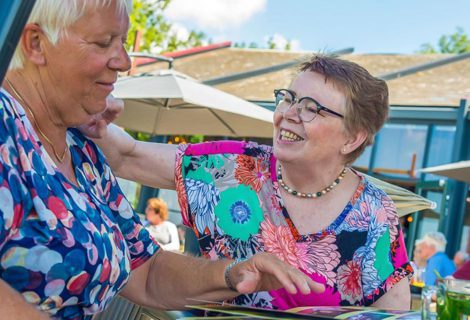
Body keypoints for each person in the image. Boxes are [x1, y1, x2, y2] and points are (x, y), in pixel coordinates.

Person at [0, 1, 324, 319]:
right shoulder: (6, 125)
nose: (124, 61)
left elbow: (146, 270)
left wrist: (230, 275)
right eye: (104, 42)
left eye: (123, 43)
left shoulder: (81, 149)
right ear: (36, 43)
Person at [91, 54, 413, 310]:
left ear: (352, 139)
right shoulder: (235, 166)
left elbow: (393, 309)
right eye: (288, 98)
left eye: (311, 108)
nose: (288, 113)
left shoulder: (374, 212)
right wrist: (85, 105)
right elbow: (125, 155)